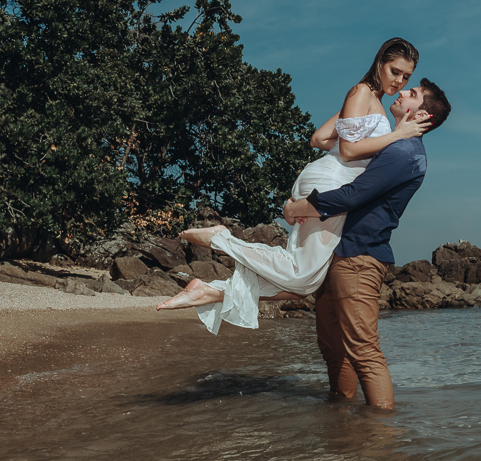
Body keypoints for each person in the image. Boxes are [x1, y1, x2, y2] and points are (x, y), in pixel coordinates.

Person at [156, 38, 430, 334]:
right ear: (380, 63)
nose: (399, 81)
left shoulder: (368, 100)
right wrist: (397, 136)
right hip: (331, 182)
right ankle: (222, 239)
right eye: (395, 71)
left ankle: (212, 291)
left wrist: (375, 136)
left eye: (406, 77)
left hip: (326, 179)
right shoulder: (362, 93)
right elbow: (350, 151)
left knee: (306, 282)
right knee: (302, 275)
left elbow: (319, 139)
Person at [283, 77, 451, 409]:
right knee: (333, 347)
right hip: (339, 252)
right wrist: (367, 90)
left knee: (363, 350)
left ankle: (381, 442)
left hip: (360, 257)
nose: (402, 91)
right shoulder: (392, 143)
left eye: (413, 93)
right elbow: (323, 139)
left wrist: (296, 209)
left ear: (422, 116)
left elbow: (353, 195)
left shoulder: (406, 152)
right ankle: (342, 423)